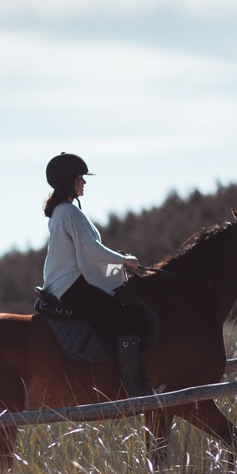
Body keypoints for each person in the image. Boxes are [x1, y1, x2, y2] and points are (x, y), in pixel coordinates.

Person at [40, 152, 152, 397]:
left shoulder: (60, 212)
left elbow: (86, 257)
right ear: (69, 180)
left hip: (67, 282)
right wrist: (125, 261)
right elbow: (91, 252)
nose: (84, 182)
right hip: (70, 285)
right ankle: (134, 388)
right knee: (125, 319)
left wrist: (117, 267)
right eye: (81, 177)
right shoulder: (69, 212)